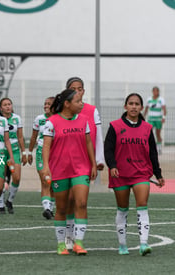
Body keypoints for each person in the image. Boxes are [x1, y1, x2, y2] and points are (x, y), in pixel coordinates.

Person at [104, 93, 164, 256]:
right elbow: (108, 149)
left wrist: (158, 174)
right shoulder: (115, 126)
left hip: (141, 174)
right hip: (120, 174)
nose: (134, 106)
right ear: (125, 106)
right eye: (131, 103)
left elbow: (152, 153)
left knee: (142, 206)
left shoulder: (147, 128)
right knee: (122, 209)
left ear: (141, 107)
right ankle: (122, 245)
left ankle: (143, 244)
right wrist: (112, 166)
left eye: (137, 104)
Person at [42, 89, 97, 255]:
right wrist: (46, 166)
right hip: (59, 170)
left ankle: (78, 243)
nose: (82, 104)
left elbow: (88, 142)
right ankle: (61, 244)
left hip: (81, 169)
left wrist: (93, 164)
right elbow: (46, 146)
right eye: (78, 102)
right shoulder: (51, 122)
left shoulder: (84, 121)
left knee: (81, 203)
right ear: (67, 104)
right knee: (62, 208)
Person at [64, 77, 105, 250]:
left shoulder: (91, 111)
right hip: (65, 162)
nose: (78, 91)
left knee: (80, 200)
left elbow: (98, 135)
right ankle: (68, 234)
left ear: (84, 91)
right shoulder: (61, 110)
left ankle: (77, 241)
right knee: (68, 200)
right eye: (73, 89)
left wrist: (99, 159)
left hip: (84, 162)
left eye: (80, 88)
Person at [0, 98, 26, 214]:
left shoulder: (17, 118)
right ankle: (1, 203)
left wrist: (24, 152)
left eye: (9, 104)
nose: (8, 106)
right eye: (5, 105)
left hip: (14, 150)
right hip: (1, 150)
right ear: (1, 108)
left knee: (17, 178)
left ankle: (10, 200)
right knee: (1, 178)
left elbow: (20, 137)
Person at [28, 96, 55, 219]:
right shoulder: (39, 119)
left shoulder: (59, 119)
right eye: (45, 104)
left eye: (49, 104)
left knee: (54, 183)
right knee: (45, 180)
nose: (46, 106)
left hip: (55, 153)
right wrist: (28, 153)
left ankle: (51, 207)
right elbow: (33, 137)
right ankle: (47, 209)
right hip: (40, 152)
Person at [143, 86, 166, 155]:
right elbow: (146, 109)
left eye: (157, 91)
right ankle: (149, 147)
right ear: (152, 92)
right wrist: (143, 116)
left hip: (158, 119)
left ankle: (159, 148)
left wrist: (163, 117)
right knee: (148, 133)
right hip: (151, 119)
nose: (155, 92)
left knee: (158, 133)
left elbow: (164, 110)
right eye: (154, 91)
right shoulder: (149, 99)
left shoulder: (161, 100)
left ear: (158, 92)